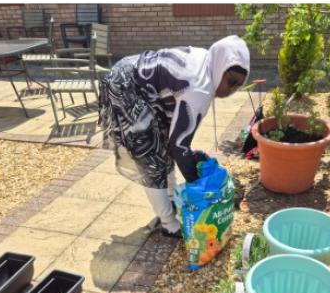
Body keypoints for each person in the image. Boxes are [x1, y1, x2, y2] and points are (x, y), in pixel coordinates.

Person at [98, 36, 250, 238]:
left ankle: (170, 198)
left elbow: (175, 142)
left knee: (164, 146)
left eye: (238, 86)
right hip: (126, 86)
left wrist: (189, 163)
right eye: (230, 82)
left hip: (138, 80)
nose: (231, 90)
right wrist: (198, 187)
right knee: (151, 158)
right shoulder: (200, 89)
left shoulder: (209, 60)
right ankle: (168, 223)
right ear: (221, 67)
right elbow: (179, 146)